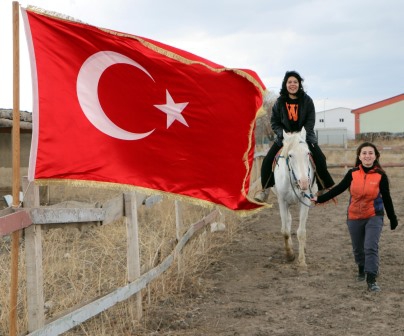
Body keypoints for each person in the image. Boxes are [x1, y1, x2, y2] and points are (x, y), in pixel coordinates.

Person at [311, 142, 398, 292]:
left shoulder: (380, 175)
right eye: (364, 153)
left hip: (374, 215)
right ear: (359, 156)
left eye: (370, 153)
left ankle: (371, 278)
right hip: (354, 215)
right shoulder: (352, 173)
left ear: (376, 156)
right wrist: (320, 199)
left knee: (370, 246)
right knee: (358, 249)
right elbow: (338, 188)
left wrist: (392, 217)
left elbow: (387, 198)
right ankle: (361, 268)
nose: (367, 156)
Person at [255, 70, 334, 202]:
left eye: (295, 82)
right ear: (285, 84)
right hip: (285, 138)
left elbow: (310, 120)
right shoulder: (279, 102)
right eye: (289, 82)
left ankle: (323, 186)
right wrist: (283, 134)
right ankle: (264, 191)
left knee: (320, 158)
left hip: (305, 137)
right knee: (268, 160)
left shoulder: (307, 100)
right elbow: (274, 121)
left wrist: (302, 134)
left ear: (299, 84)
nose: (292, 84)